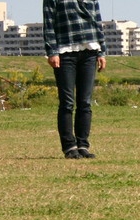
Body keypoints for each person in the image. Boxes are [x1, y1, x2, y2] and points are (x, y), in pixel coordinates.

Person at [43, 0, 107, 159]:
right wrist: (52, 51)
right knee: (67, 102)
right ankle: (69, 146)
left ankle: (82, 145)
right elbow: (49, 23)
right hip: (65, 52)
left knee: (85, 102)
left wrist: (102, 52)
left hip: (90, 51)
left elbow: (97, 21)